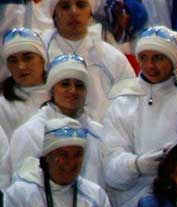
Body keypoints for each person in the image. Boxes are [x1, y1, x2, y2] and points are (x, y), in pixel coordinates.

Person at [103, 24, 177, 207]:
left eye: (158, 58)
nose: (150, 66)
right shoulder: (122, 102)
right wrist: (138, 165)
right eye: (144, 57)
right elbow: (111, 169)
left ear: (173, 60)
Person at [9, 52, 105, 186]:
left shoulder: (98, 132)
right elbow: (21, 189)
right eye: (65, 84)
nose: (72, 91)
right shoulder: (30, 132)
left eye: (79, 85)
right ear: (52, 89)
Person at [39, 0, 135, 120]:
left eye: (81, 5)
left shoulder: (113, 58)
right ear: (54, 14)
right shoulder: (38, 55)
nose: (74, 12)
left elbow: (131, 106)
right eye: (65, 6)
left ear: (90, 12)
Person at [0, 27, 48, 142]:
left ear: (42, 59)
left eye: (28, 58)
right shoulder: (3, 106)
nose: (21, 66)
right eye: (13, 61)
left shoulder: (64, 95)